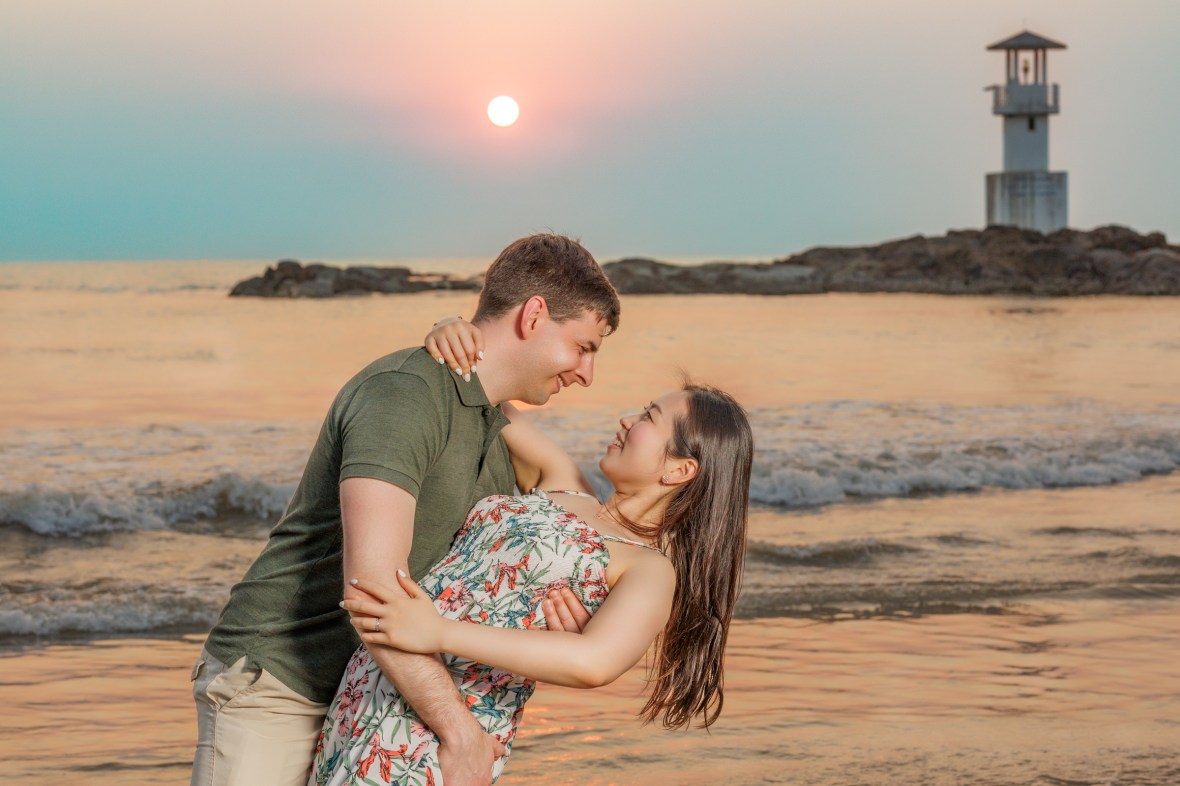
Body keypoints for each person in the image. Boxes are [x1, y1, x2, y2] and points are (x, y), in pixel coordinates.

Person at [189, 234, 620, 786]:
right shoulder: (405, 395)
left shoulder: (496, 426)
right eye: (583, 347)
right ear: (534, 315)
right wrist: (461, 732)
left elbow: (573, 515)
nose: (587, 374)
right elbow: (372, 589)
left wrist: (571, 617)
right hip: (283, 683)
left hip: (377, 695)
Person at [310, 318, 753, 785]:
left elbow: (593, 663)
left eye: (648, 419)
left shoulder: (648, 568)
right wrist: (452, 335)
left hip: (449, 729)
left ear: (680, 470)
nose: (627, 419)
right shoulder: (563, 480)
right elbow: (482, 389)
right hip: (372, 690)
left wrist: (438, 632)